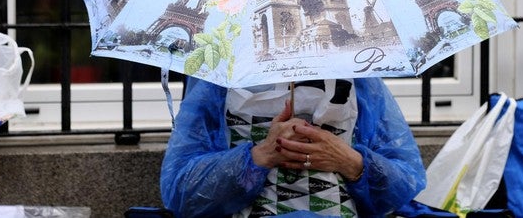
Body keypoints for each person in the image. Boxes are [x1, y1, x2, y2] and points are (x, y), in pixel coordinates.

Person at [160, 77, 426, 217]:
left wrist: (349, 161)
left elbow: (402, 186)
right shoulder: (217, 77)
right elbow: (182, 195)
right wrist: (260, 156)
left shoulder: (361, 78)